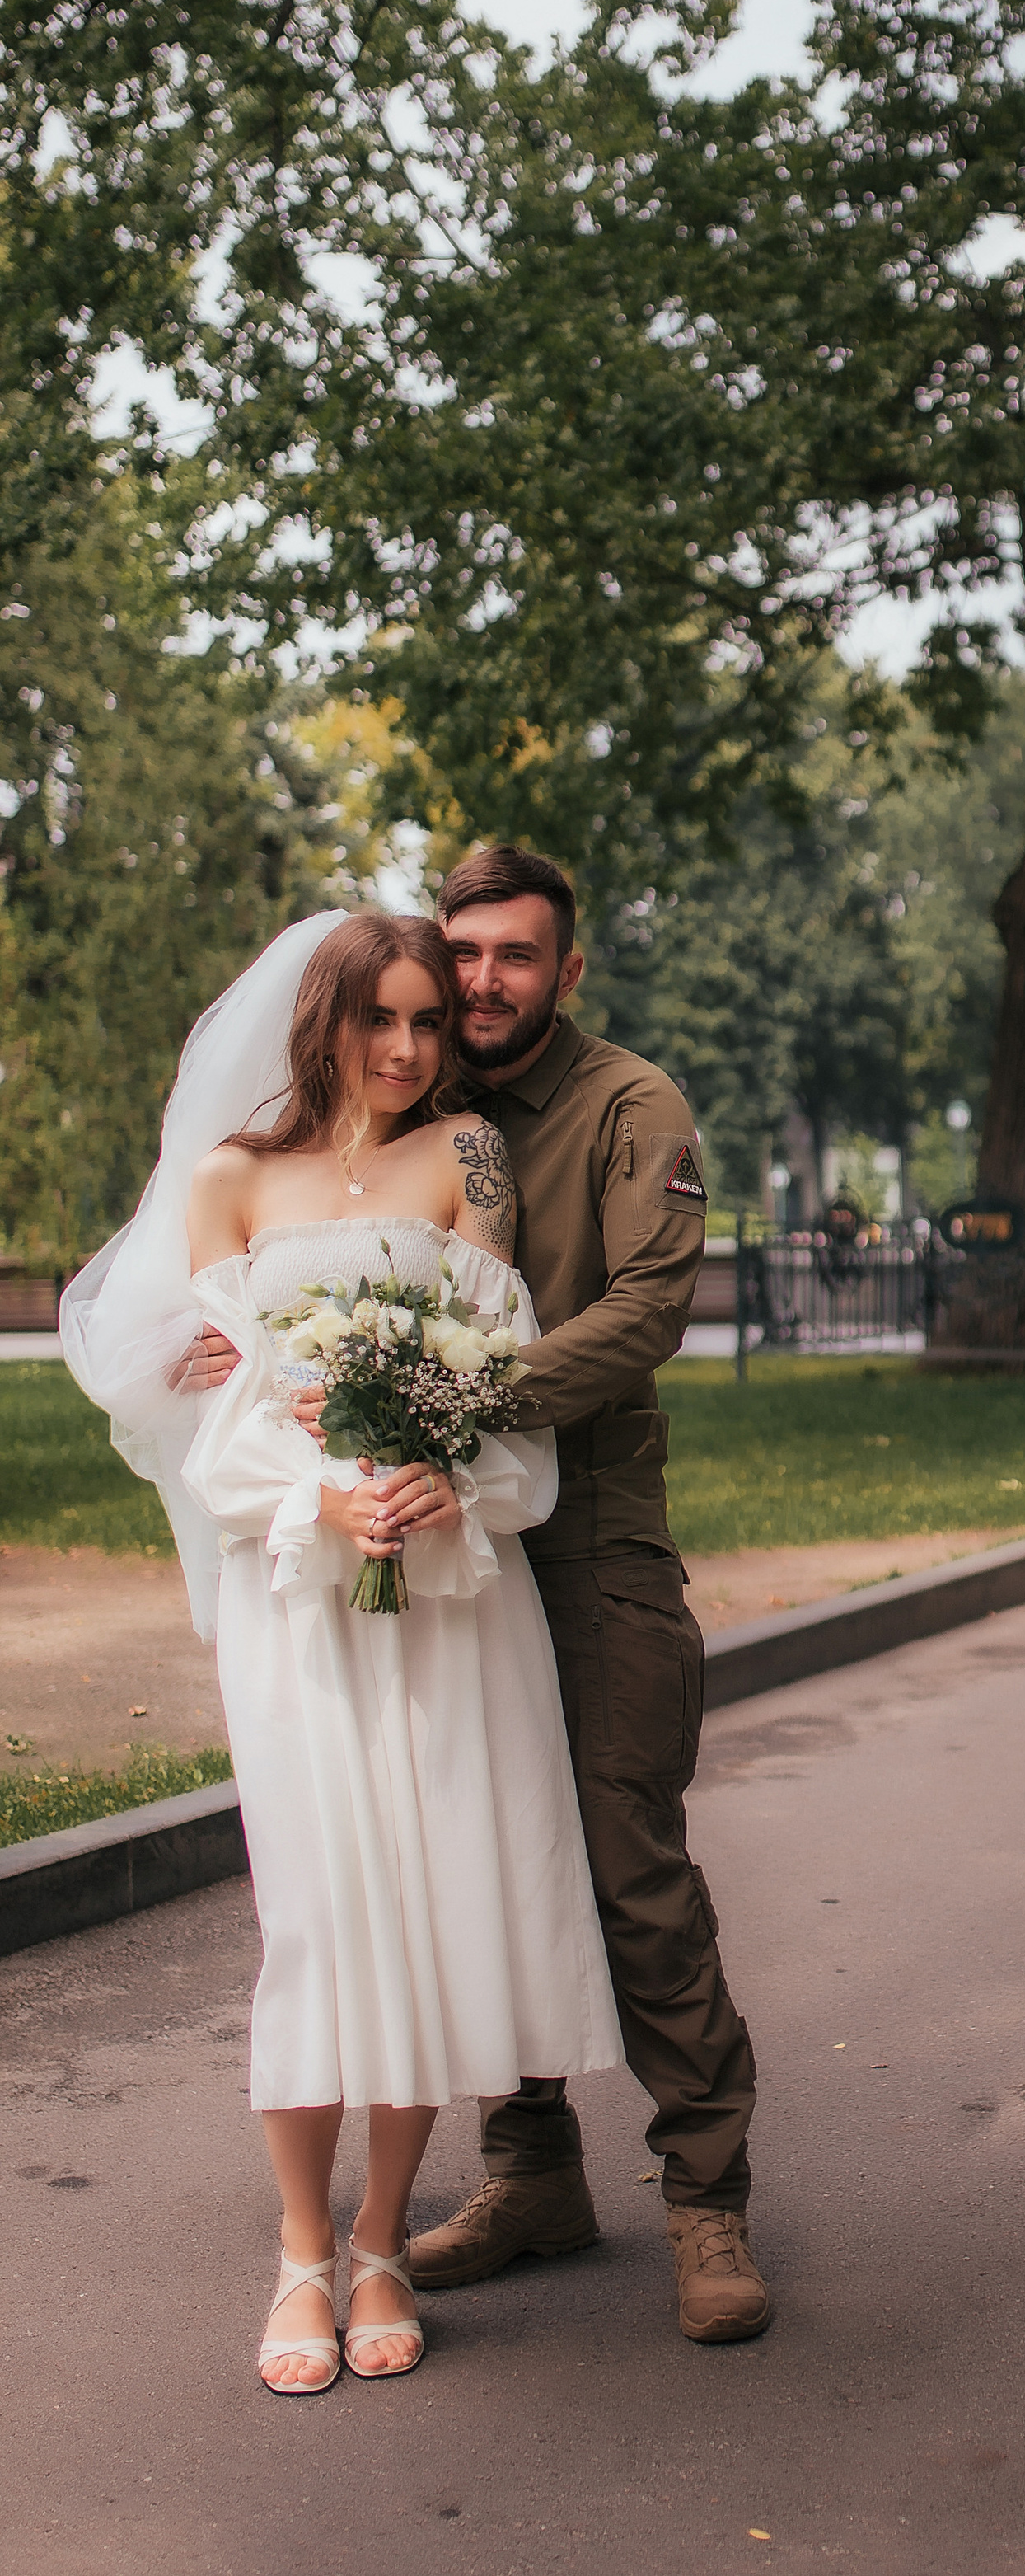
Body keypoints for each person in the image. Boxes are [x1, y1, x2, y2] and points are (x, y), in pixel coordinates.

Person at [61, 910, 621, 2396]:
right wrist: (319, 1494)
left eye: (430, 1021)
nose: (408, 1047)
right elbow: (217, 1418)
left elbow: (500, 1380)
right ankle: (302, 2251)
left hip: (445, 1587)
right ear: (320, 1021)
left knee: (423, 1915)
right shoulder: (232, 1181)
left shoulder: (461, 1164)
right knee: (318, 1916)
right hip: (296, 1584)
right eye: (381, 1017)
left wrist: (450, 1475)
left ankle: (384, 2239)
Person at [404, 844, 766, 2344]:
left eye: (515, 954)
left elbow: (648, 1309)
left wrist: (459, 1394)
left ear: (566, 967)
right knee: (493, 1862)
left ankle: (705, 2199)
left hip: (594, 1547)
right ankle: (532, 2175)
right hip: (451, 1543)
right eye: (465, 952)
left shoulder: (633, 1107)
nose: (484, 980)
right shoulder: (416, 1103)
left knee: (632, 1873)